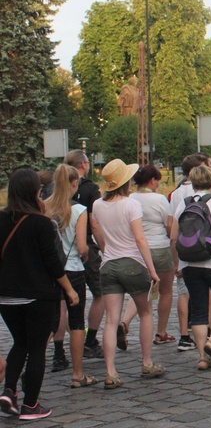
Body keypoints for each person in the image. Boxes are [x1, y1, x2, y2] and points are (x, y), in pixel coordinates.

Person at [0, 168, 79, 420]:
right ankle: (31, 405)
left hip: (6, 296)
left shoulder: (1, 219)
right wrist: (69, 289)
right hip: (37, 295)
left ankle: (9, 391)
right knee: (36, 348)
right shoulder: (41, 223)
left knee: (19, 342)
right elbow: (53, 264)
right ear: (36, 192)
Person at [91, 159, 165, 390]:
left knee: (111, 320)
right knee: (145, 313)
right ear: (125, 183)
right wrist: (152, 270)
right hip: (132, 263)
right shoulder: (131, 205)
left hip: (109, 265)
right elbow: (140, 239)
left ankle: (111, 372)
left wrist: (106, 251)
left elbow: (99, 233)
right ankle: (146, 362)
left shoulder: (97, 205)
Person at [171, 165, 211, 371]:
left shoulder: (183, 204)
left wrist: (176, 263)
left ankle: (202, 357)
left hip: (190, 263)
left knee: (197, 307)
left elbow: (174, 237)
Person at [45, 165, 97, 388]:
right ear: (75, 183)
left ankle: (28, 360)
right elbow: (83, 246)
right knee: (77, 322)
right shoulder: (79, 210)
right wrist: (84, 254)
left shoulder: (44, 207)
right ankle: (77, 374)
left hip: (50, 271)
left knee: (50, 319)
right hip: (74, 269)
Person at [119, 165, 175, 349]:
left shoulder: (130, 199)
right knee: (166, 290)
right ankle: (161, 332)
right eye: (157, 181)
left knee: (140, 291)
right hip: (159, 248)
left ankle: (125, 322)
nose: (158, 184)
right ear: (152, 181)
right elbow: (169, 225)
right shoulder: (159, 199)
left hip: (138, 250)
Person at [64, 149, 105, 359]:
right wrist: (104, 247)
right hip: (84, 247)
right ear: (83, 165)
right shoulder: (90, 189)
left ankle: (58, 350)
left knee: (62, 302)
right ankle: (90, 340)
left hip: (57, 252)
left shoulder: (55, 189)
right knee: (100, 293)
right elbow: (94, 222)